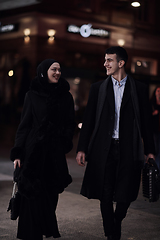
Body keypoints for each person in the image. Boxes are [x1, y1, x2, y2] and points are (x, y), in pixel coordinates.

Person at [76, 46, 155, 240]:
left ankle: (117, 219)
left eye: (109, 60)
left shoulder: (139, 89)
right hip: (104, 149)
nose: (105, 64)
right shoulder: (97, 89)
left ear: (121, 63)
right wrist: (81, 148)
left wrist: (150, 150)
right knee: (105, 192)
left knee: (125, 194)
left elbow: (146, 122)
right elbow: (89, 121)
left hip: (129, 149)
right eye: (105, 60)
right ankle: (111, 234)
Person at [10, 59, 75, 240]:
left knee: (50, 196)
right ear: (44, 71)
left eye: (59, 70)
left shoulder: (66, 96)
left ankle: (44, 227)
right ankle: (32, 234)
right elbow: (24, 126)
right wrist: (18, 152)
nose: (57, 73)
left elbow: (70, 124)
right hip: (33, 154)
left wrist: (64, 142)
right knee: (32, 196)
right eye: (54, 69)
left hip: (54, 155)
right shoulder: (32, 95)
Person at [150, 86, 160, 170]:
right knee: (155, 150)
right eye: (158, 91)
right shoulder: (151, 103)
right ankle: (154, 168)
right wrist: (153, 114)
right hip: (154, 130)